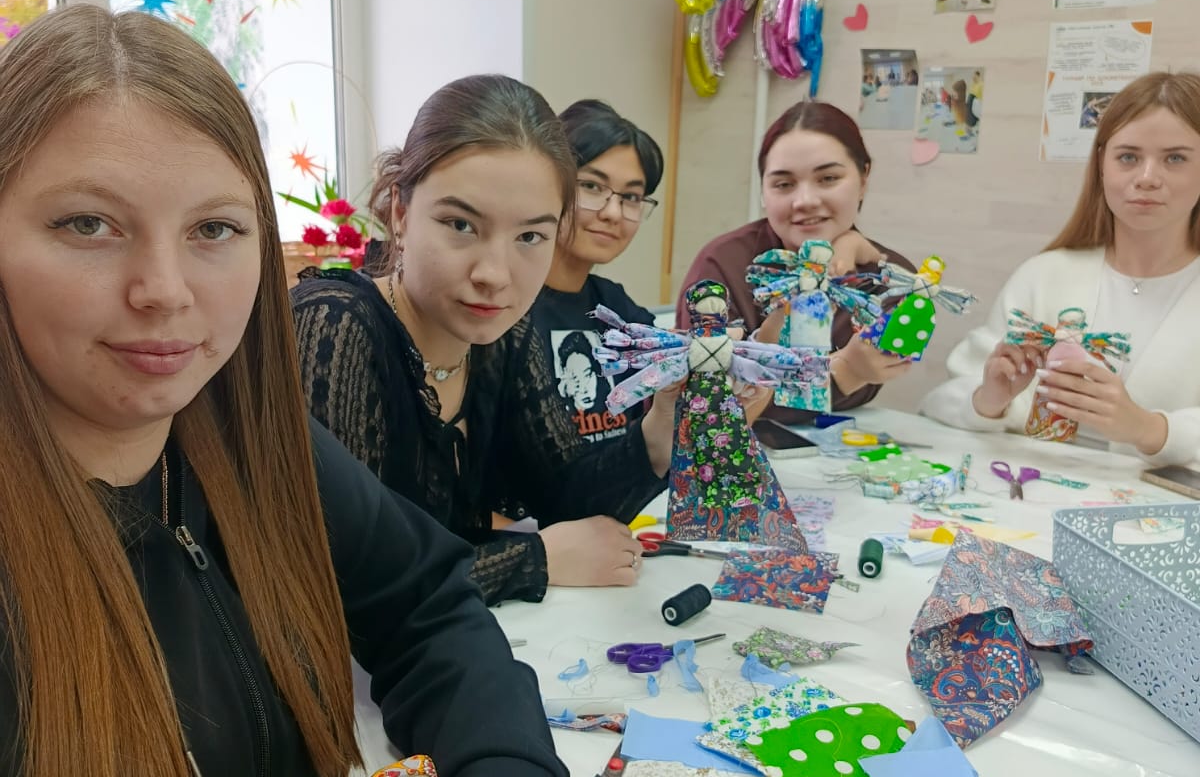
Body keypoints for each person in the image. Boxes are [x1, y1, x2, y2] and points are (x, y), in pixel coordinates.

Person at [0, 5, 588, 777]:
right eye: (86, 224)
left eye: (215, 229)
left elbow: (428, 601)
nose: (165, 290)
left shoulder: (245, 444)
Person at [292, 77, 677, 607]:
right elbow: (345, 578)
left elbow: (568, 498)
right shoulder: (333, 324)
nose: (495, 275)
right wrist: (533, 559)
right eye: (461, 224)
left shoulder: (504, 335)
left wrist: (660, 432)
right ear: (400, 213)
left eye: (530, 237)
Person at [922, 73, 1200, 464]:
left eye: (1175, 158)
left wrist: (1149, 429)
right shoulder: (1044, 275)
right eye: (1128, 157)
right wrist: (990, 400)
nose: (1147, 178)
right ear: (1101, 165)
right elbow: (941, 403)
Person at [676, 98, 915, 419]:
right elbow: (704, 404)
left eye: (828, 178)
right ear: (763, 191)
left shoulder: (893, 279)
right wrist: (846, 372)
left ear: (863, 179)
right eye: (784, 184)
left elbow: (881, 369)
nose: (805, 201)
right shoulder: (722, 265)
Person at [531, 98, 661, 445]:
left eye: (631, 197)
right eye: (591, 186)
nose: (613, 212)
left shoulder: (614, 307)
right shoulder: (505, 305)